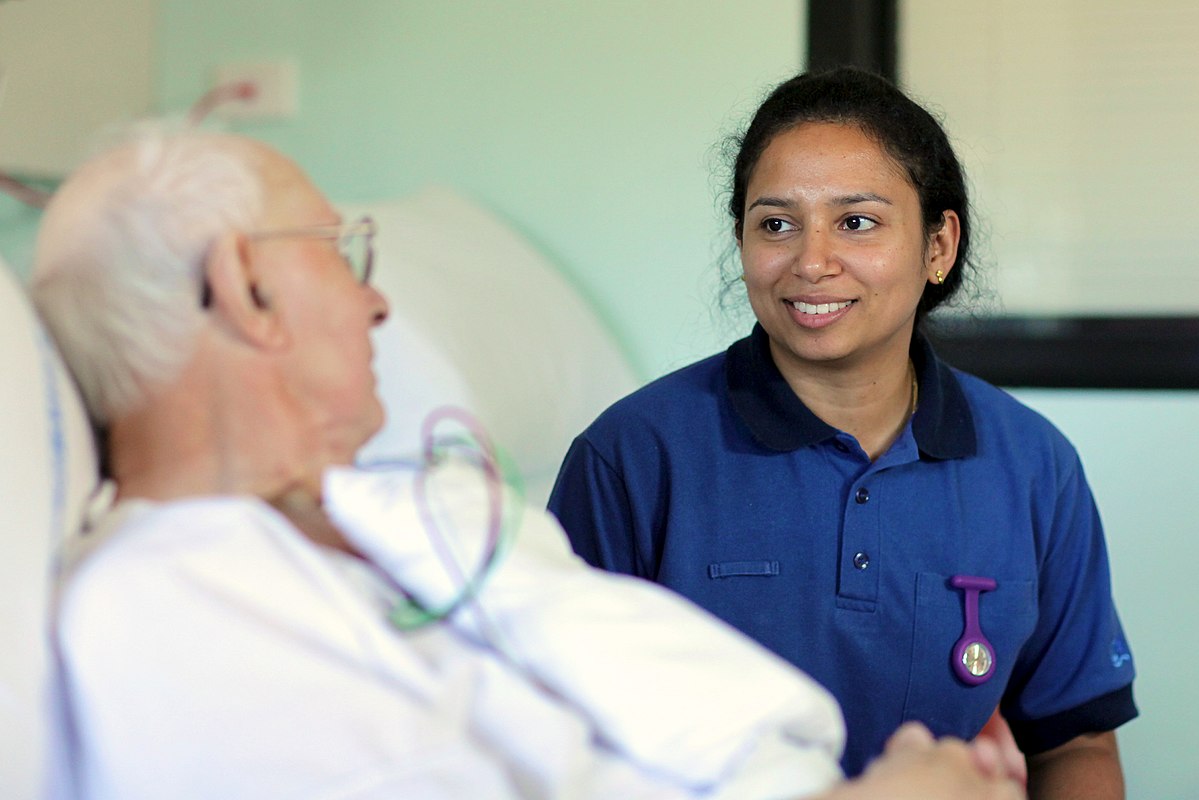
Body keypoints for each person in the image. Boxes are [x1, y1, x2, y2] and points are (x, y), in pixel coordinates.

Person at [33, 126, 1022, 799]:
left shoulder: (403, 525)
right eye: (342, 253)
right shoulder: (173, 604)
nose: (376, 302)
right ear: (245, 288)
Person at [548, 67, 1137, 798]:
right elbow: (555, 743)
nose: (811, 262)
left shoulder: (1031, 465)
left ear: (938, 245)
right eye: (776, 224)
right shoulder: (632, 457)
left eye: (856, 222)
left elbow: (1076, 742)